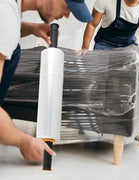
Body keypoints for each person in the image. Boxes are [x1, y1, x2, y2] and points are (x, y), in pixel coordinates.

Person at [0, 0, 92, 163]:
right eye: (67, 7)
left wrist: (31, 28)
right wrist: (24, 142)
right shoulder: (5, 14)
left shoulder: (10, 8)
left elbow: (7, 28)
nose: (67, 15)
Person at [76, 0, 139, 82]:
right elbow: (92, 24)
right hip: (104, 43)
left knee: (129, 71)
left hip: (127, 46)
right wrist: (85, 48)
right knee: (98, 76)